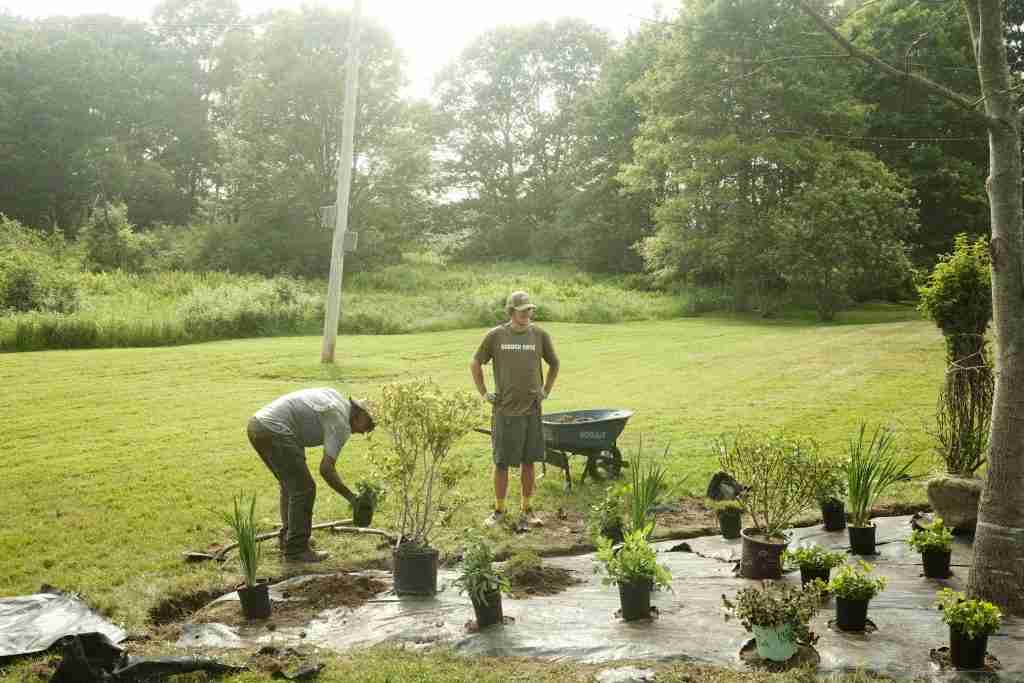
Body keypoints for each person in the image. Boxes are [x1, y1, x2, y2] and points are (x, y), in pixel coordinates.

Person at [247, 387, 375, 562]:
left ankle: (291, 537)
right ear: (360, 414)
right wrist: (352, 498)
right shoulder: (340, 423)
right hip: (275, 429)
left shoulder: (336, 398)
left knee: (291, 486)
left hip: (258, 424)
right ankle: (296, 550)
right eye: (369, 424)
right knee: (304, 489)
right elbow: (326, 469)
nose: (365, 432)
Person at [470, 290, 560, 531]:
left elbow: (554, 363)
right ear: (511, 311)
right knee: (501, 463)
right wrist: (484, 392)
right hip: (505, 411)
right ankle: (499, 511)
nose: (526, 314)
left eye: (529, 310)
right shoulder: (496, 336)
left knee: (529, 462)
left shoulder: (539, 335)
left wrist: (546, 390)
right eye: (522, 310)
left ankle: (527, 509)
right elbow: (475, 362)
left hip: (532, 410)